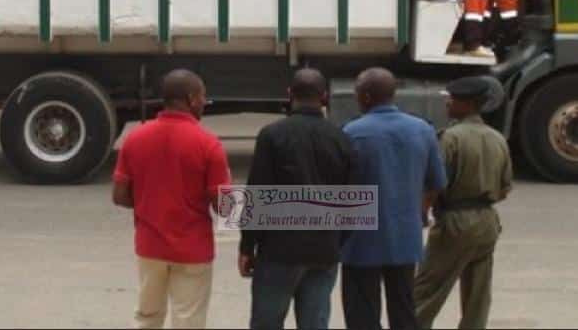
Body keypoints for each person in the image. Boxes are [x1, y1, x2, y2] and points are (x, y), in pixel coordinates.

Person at [112, 69, 231, 329]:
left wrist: (148, 199)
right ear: (190, 98)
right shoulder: (208, 144)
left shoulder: (135, 139)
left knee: (146, 317)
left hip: (149, 246)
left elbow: (119, 196)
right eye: (202, 97)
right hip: (193, 250)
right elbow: (224, 207)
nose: (204, 103)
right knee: (188, 320)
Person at [240, 69, 354, 330]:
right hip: (324, 250)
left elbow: (257, 192)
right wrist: (337, 240)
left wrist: (247, 246)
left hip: (279, 250)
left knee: (267, 322)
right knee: (315, 323)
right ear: (324, 97)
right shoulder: (342, 138)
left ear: (289, 95)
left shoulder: (272, 135)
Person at [340, 68, 447, 330]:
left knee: (361, 312)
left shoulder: (351, 132)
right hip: (404, 237)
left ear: (365, 97)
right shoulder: (423, 130)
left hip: (360, 239)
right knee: (403, 309)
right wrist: (420, 211)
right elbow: (436, 182)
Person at [414, 77, 513, 330]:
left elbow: (435, 183)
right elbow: (504, 188)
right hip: (487, 221)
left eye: (453, 99)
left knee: (426, 291)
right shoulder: (497, 138)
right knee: (477, 297)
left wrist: (422, 213)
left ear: (467, 104)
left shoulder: (450, 138)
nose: (448, 102)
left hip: (455, 221)